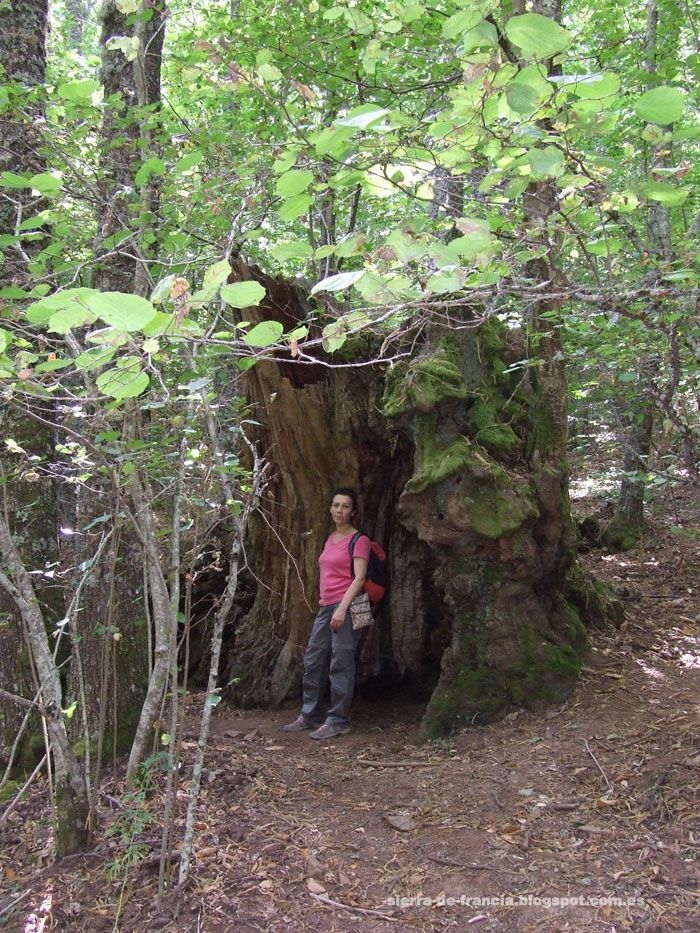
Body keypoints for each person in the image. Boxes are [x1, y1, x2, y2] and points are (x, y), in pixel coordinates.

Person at [283, 487, 370, 739]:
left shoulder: (359, 540)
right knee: (313, 659)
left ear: (353, 511)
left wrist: (342, 608)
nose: (339, 510)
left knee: (341, 663)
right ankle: (310, 714)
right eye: (336, 505)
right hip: (326, 607)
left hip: (348, 607)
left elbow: (360, 577)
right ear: (330, 508)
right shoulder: (330, 538)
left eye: (345, 506)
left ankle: (338, 719)